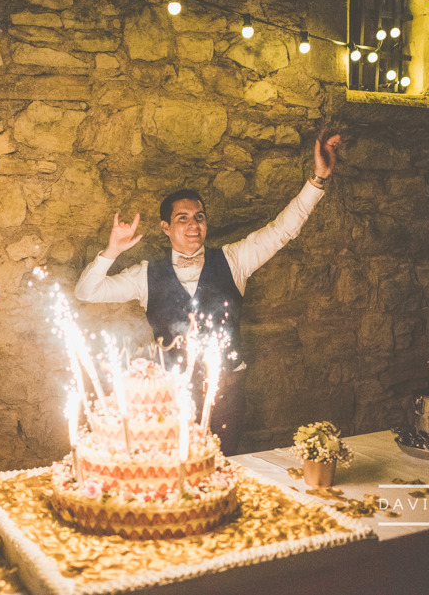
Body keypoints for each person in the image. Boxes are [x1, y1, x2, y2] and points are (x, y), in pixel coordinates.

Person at [75, 134, 341, 456]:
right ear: (165, 227)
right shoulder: (144, 275)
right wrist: (112, 250)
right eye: (182, 218)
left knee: (222, 467)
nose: (193, 225)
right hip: (169, 395)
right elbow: (87, 291)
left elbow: (283, 229)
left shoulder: (234, 259)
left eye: (199, 217)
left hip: (227, 392)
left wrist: (318, 180)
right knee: (173, 472)